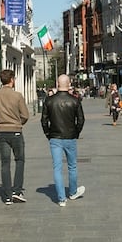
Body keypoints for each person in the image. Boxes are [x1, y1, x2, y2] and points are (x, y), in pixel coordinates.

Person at [0, 69, 30, 205]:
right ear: (11, 80)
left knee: (5, 163)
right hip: (15, 131)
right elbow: (25, 115)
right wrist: (18, 123)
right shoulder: (17, 96)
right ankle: (17, 191)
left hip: (1, 132)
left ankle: (7, 196)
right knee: (19, 160)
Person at [41, 74, 86, 207]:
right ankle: (72, 192)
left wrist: (48, 133)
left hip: (55, 137)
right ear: (69, 83)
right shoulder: (75, 100)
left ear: (57, 84)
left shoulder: (49, 101)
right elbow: (81, 119)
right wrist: (76, 132)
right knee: (72, 166)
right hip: (70, 137)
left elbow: (44, 120)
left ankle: (61, 199)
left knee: (57, 168)